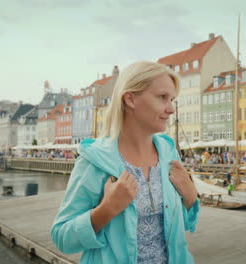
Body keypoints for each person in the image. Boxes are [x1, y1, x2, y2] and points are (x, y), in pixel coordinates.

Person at [50, 61, 199, 263]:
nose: (171, 109)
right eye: (162, 97)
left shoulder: (169, 153)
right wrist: (106, 210)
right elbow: (62, 238)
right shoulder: (94, 161)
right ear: (130, 99)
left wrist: (190, 198)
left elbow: (178, 227)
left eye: (172, 99)